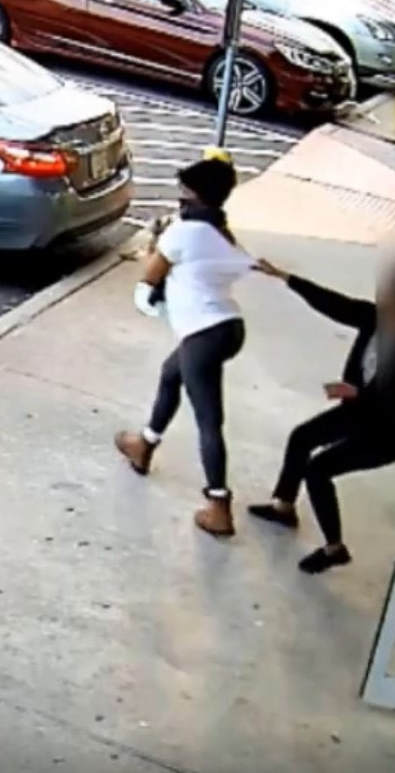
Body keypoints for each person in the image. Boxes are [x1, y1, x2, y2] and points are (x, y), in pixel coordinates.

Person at [246, 259, 395, 573]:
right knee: (302, 437)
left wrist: (352, 393)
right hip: (358, 412)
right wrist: (287, 278)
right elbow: (336, 305)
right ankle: (284, 506)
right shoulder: (377, 319)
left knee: (318, 471)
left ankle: (334, 548)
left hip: (386, 434)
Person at [114, 155, 253, 536]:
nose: (180, 200)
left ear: (196, 196)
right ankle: (143, 445)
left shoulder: (183, 231)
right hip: (228, 326)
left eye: (184, 194)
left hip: (203, 333)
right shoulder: (220, 233)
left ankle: (219, 505)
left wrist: (149, 294)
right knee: (170, 375)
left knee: (209, 421)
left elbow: (151, 273)